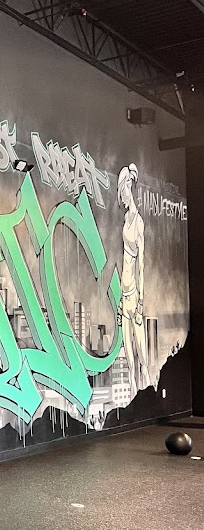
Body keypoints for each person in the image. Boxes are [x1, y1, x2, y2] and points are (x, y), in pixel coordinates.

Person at [117, 164, 148, 391]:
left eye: (125, 188)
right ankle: (136, 398)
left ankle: (149, 393)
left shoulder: (138, 222)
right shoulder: (126, 218)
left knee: (143, 360)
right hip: (124, 294)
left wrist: (140, 302)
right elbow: (124, 259)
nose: (123, 195)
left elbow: (141, 265)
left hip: (134, 295)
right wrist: (121, 298)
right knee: (129, 362)